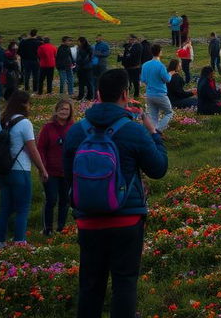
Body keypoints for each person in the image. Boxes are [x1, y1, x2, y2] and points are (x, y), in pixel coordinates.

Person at [63, 68, 168, 318]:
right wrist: (154, 134)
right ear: (125, 94)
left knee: (90, 285)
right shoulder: (133, 131)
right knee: (124, 283)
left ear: (97, 94)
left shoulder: (76, 131)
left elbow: (69, 178)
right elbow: (159, 169)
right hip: (126, 218)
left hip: (88, 220)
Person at [0, 90, 49, 248]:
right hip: (20, 169)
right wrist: (42, 169)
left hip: (3, 170)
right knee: (22, 208)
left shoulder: (3, 120)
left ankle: (0, 242)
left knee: (5, 207)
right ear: (24, 104)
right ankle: (20, 242)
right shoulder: (24, 123)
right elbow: (32, 149)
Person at [37, 98, 74, 234]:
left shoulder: (73, 127)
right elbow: (40, 148)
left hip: (66, 171)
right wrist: (42, 167)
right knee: (51, 199)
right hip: (50, 170)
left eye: (67, 109)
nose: (64, 111)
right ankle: (47, 229)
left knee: (65, 201)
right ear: (57, 110)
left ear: (70, 112)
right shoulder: (48, 128)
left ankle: (61, 228)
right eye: (62, 108)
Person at [140, 45, 173, 132]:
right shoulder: (161, 65)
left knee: (153, 116)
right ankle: (158, 130)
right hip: (160, 94)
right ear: (160, 52)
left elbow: (143, 79)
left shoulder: (145, 65)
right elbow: (167, 79)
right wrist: (170, 74)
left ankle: (152, 133)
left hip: (149, 94)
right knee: (169, 113)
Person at [76, 37, 94, 101]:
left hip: (87, 68)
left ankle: (90, 96)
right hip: (81, 68)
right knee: (81, 82)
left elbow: (88, 58)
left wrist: (80, 62)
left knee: (89, 82)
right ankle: (80, 95)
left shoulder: (89, 48)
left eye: (78, 41)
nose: (77, 43)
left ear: (82, 42)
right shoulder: (79, 48)